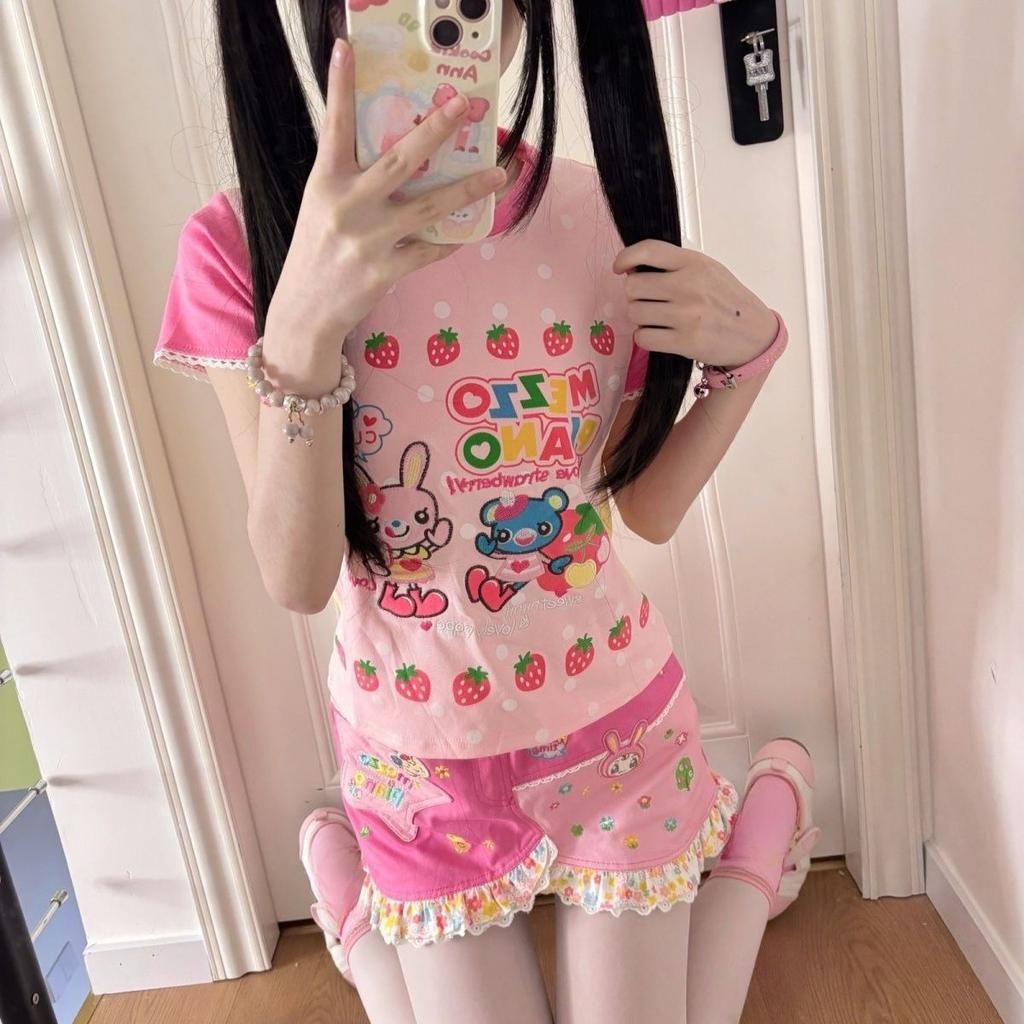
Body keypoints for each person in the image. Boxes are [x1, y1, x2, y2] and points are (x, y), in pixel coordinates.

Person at [153, 1, 822, 1020]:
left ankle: (761, 828)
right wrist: (305, 322)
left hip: (616, 737)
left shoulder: (595, 217)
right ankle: (364, 915)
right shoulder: (240, 245)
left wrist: (749, 361)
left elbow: (642, 509)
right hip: (416, 771)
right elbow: (296, 576)